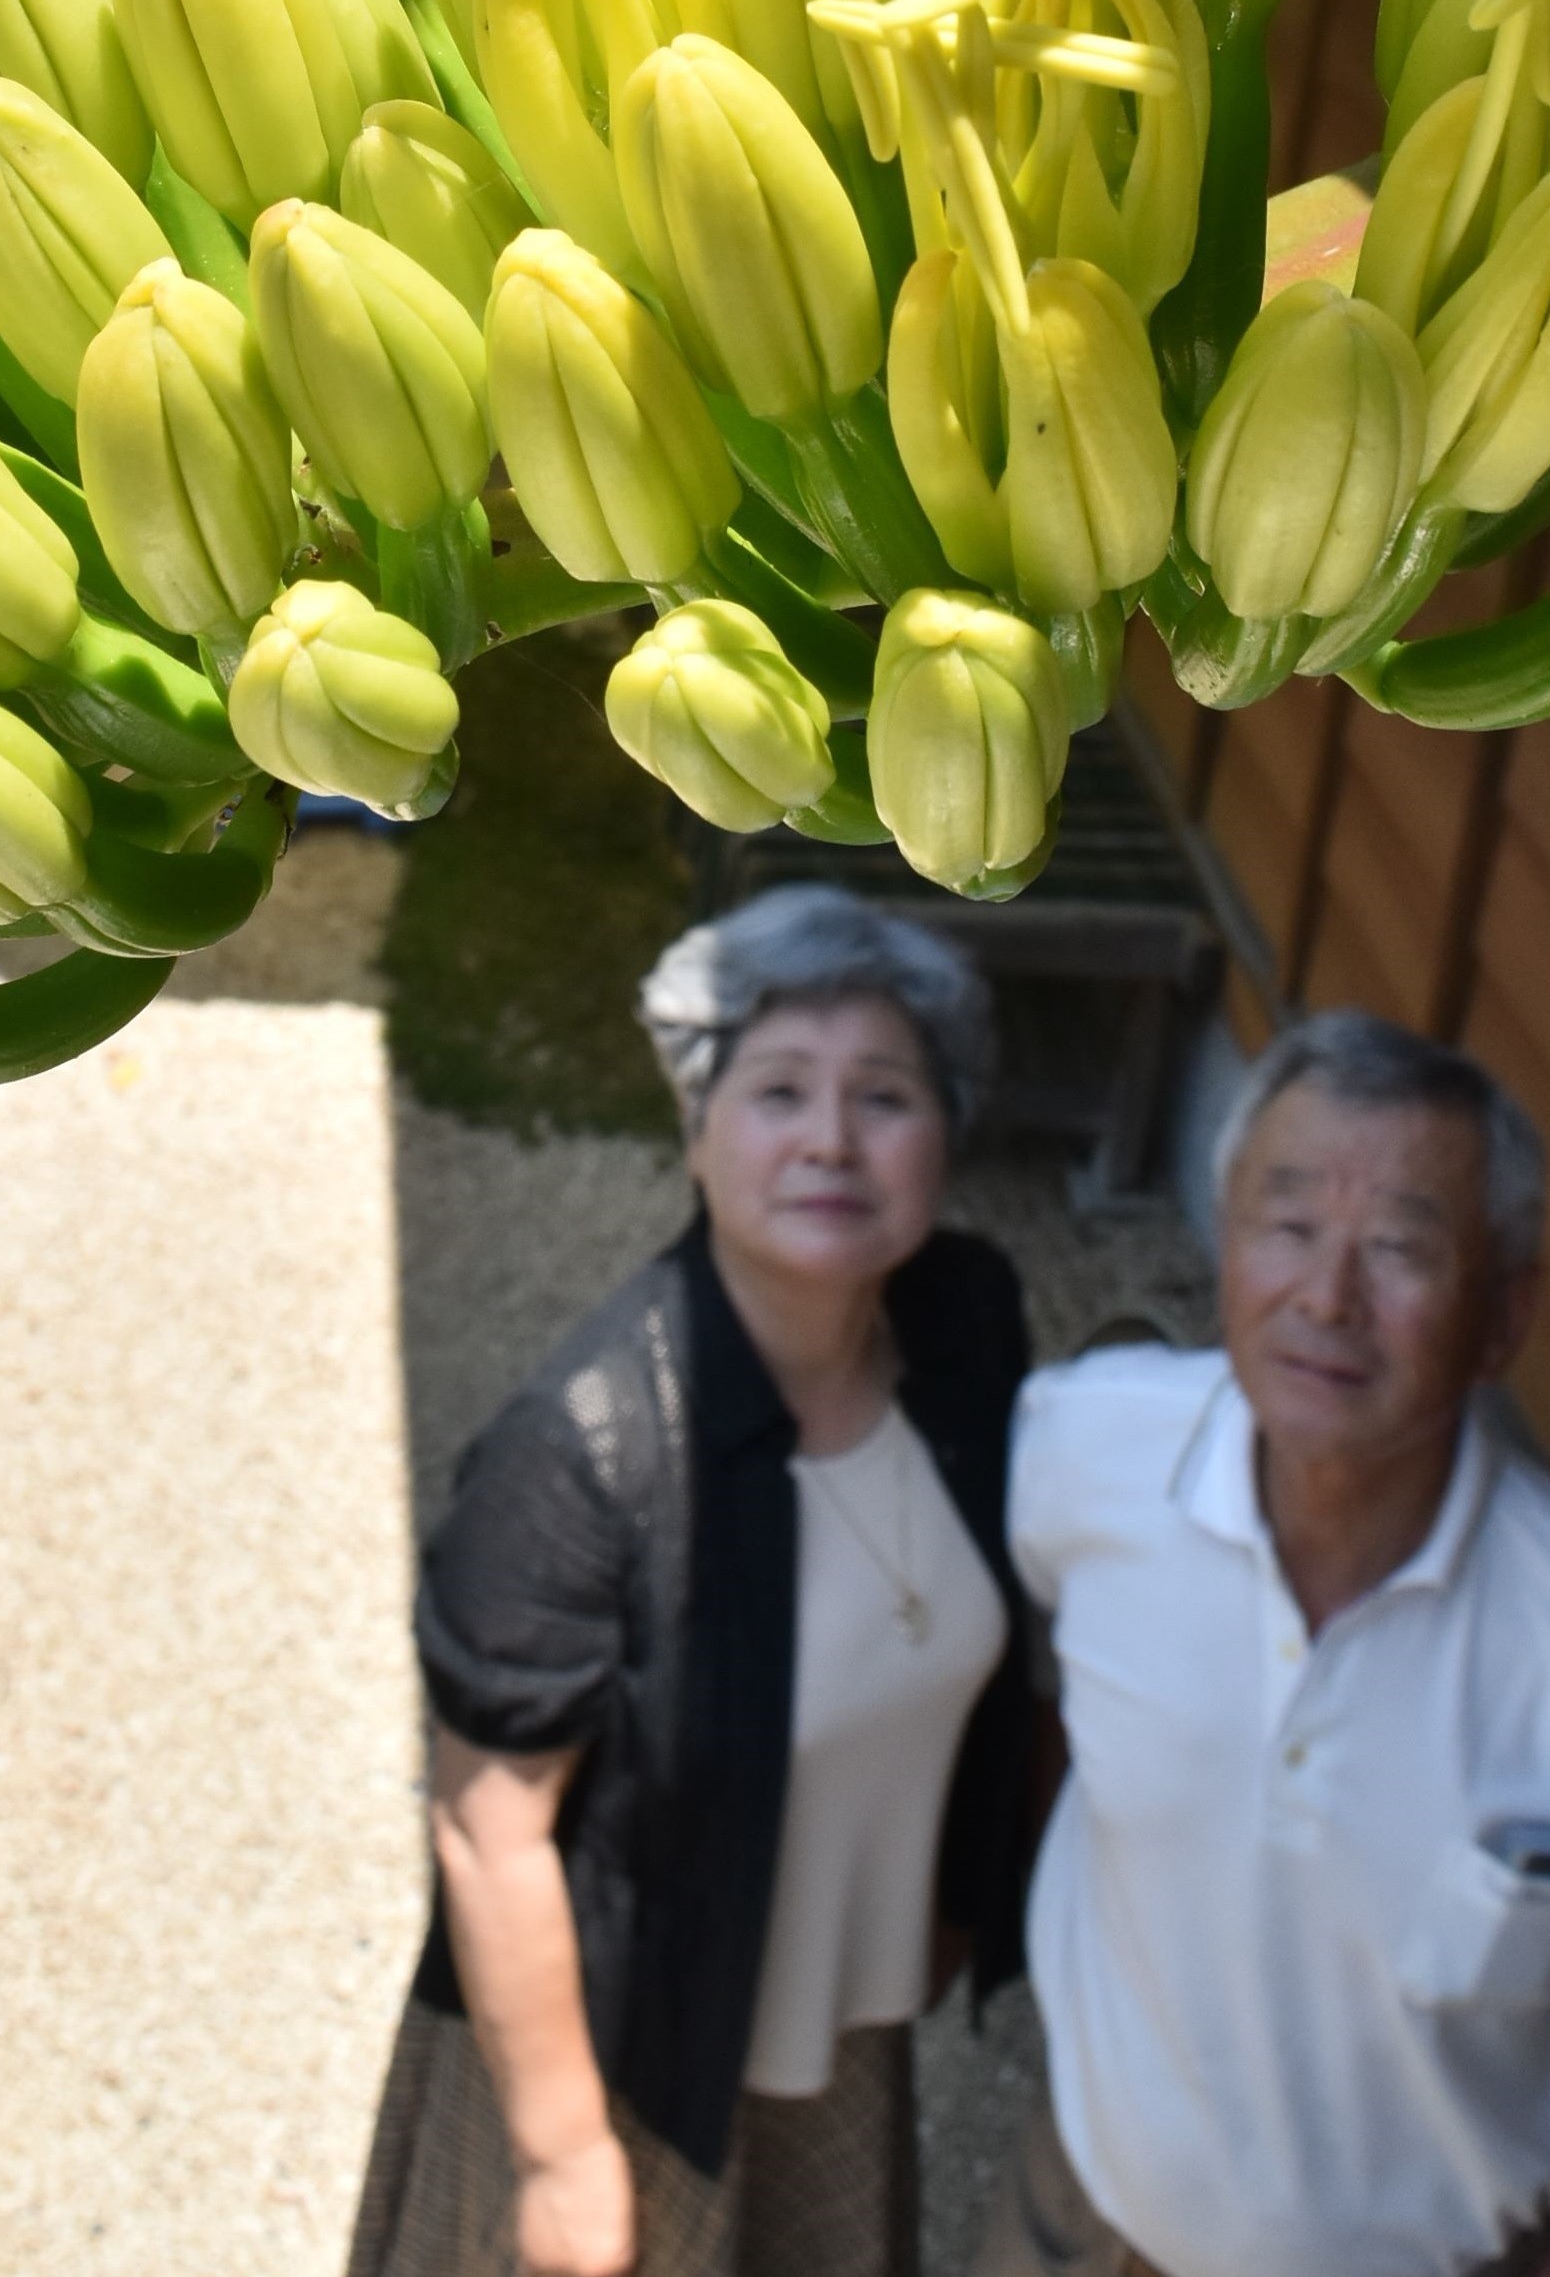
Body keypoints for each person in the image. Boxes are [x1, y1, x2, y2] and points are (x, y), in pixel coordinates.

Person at [978, 1008, 1550, 2277]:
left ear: (1501, 1316)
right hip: (1084, 2222)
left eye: (1401, 1245)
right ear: (1230, 1240)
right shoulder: (1082, 1453)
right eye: (1288, 1224)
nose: (1327, 1294)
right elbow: (1014, 1657)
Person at [351, 884, 1037, 2277]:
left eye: (885, 1096)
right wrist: (559, 2152)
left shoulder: (964, 1333)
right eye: (778, 1090)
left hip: (834, 2040)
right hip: (621, 2055)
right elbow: (489, 1829)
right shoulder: (583, 1448)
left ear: (945, 1134)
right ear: (695, 1128)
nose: (830, 1140)